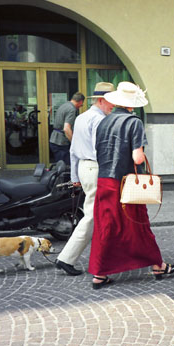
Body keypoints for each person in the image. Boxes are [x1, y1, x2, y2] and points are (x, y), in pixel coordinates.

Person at [88, 81, 174, 289]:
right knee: (138, 225)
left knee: (106, 227)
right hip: (126, 183)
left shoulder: (103, 121)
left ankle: (99, 274)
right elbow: (137, 158)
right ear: (133, 104)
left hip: (104, 180)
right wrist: (144, 153)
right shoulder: (133, 122)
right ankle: (158, 266)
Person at [54, 82, 116, 276]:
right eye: (111, 102)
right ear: (101, 100)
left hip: (84, 167)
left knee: (96, 214)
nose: (113, 106)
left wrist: (75, 176)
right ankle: (66, 258)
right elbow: (102, 150)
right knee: (92, 215)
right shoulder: (99, 120)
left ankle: (102, 257)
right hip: (95, 167)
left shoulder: (81, 117)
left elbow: (73, 150)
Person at [49, 92, 85, 165]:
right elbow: (66, 128)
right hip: (61, 142)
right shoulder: (72, 109)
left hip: (55, 139)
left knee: (60, 165)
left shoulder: (64, 105)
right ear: (80, 101)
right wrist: (74, 142)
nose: (81, 106)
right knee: (65, 167)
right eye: (82, 104)